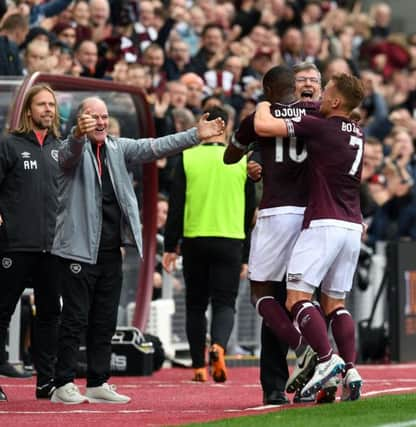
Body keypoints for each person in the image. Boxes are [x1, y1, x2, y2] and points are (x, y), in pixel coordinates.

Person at [49, 96, 224, 404]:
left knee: (105, 318)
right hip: (76, 250)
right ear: (80, 120)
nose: (101, 122)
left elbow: (155, 147)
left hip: (109, 249)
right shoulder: (68, 147)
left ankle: (98, 381)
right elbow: (68, 156)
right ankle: (62, 382)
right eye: (94, 117)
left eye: (104, 116)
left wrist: (195, 135)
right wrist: (77, 134)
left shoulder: (117, 147)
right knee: (75, 318)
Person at [254, 72, 366, 401]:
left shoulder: (321, 125)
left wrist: (264, 103)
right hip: (351, 225)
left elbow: (264, 126)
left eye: (325, 90)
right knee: (335, 304)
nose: (319, 97)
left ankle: (325, 358)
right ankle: (351, 367)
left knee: (296, 298)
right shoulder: (356, 129)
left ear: (334, 101)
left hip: (324, 222)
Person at [224, 64, 320, 405]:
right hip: (314, 216)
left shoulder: (260, 117)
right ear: (296, 86)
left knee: (266, 298)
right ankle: (322, 378)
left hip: (276, 212)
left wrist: (252, 148)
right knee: (307, 301)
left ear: (267, 91)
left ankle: (280, 380)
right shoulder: (318, 116)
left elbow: (228, 155)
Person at [162, 106, 256, 385]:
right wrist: (246, 254)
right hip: (230, 239)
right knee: (225, 303)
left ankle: (198, 367)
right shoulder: (242, 161)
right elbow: (249, 212)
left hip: (195, 239)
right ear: (226, 128)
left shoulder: (188, 158)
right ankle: (218, 347)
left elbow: (176, 205)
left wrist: (170, 245)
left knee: (195, 305)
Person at [0, 84, 64, 400]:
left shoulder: (60, 148)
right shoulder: (8, 145)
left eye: (51, 105)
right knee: (1, 311)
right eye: (42, 104)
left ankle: (46, 381)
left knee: (51, 312)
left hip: (52, 248)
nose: (48, 110)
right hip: (14, 245)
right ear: (28, 110)